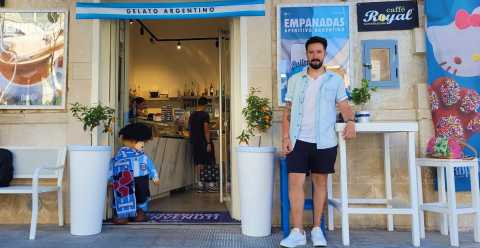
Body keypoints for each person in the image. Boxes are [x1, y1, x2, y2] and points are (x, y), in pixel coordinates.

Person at [280, 36, 357, 247]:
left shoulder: (335, 81)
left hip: (324, 141)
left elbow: (344, 105)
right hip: (298, 140)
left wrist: (350, 121)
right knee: (295, 184)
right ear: (306, 55)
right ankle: (297, 232)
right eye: (311, 52)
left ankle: (316, 230)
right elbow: (286, 112)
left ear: (324, 54)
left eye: (319, 52)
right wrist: (286, 137)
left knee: (320, 183)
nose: (315, 56)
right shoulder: (295, 80)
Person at [110, 123, 160, 224]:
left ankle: (139, 211)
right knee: (123, 194)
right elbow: (113, 167)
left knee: (141, 195)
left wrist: (154, 176)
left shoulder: (143, 156)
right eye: (140, 142)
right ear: (130, 141)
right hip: (125, 179)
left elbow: (150, 166)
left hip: (141, 179)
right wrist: (110, 179)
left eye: (143, 142)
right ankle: (121, 214)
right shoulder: (120, 155)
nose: (142, 144)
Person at [188, 97, 212, 193]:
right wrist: (208, 143)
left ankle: (200, 183)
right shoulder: (205, 115)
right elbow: (206, 130)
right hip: (202, 140)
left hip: (194, 141)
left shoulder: (192, 115)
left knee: (198, 162)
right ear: (205, 105)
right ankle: (208, 183)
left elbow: (189, 129)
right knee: (206, 160)